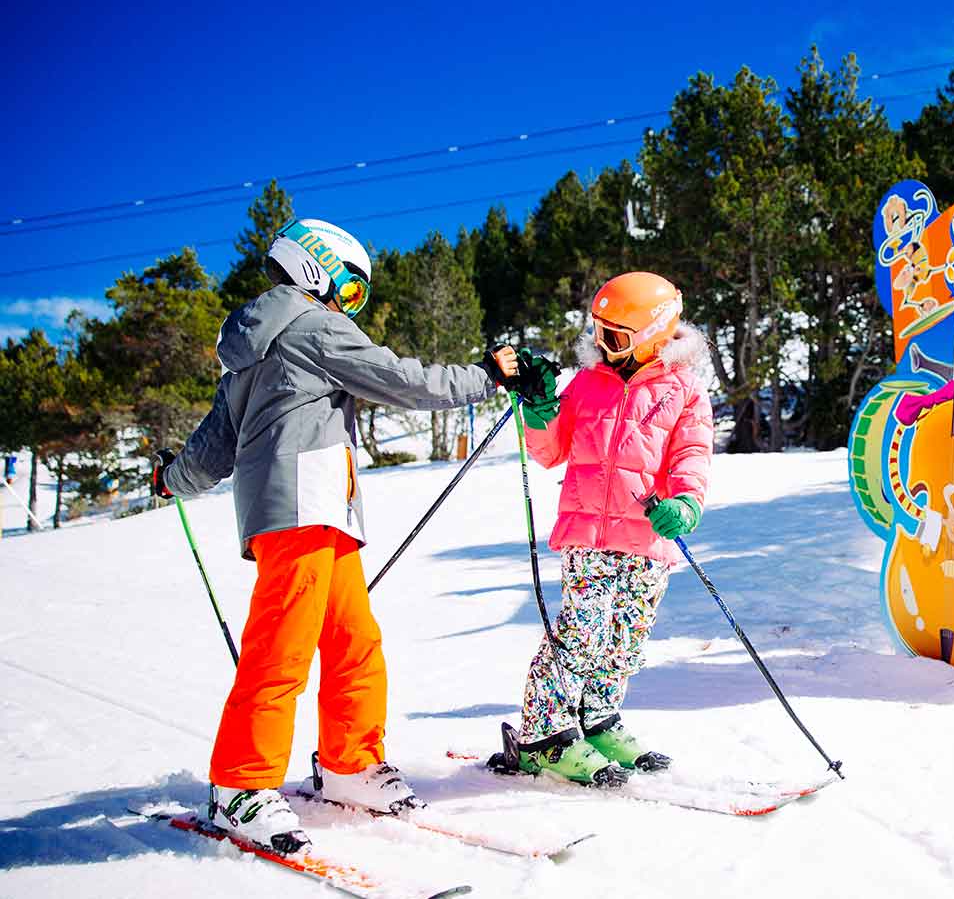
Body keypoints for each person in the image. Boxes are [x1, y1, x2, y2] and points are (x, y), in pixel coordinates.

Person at [151, 218, 520, 853]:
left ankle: (350, 764)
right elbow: (402, 379)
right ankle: (241, 785)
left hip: (322, 512)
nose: (349, 306)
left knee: (353, 641)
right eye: (349, 290)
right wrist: (487, 375)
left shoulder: (251, 349)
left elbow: (212, 448)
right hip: (302, 506)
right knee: (282, 649)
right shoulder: (312, 324)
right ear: (314, 266)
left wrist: (171, 479)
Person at [501, 271, 713, 786]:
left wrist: (686, 503)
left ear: (653, 333)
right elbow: (550, 451)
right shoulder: (587, 384)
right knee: (582, 634)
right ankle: (544, 737)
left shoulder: (684, 390)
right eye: (597, 333)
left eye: (614, 337)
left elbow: (692, 454)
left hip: (647, 538)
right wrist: (541, 411)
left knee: (624, 640)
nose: (602, 346)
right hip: (587, 537)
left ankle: (596, 719)